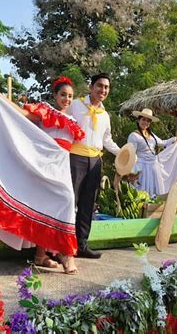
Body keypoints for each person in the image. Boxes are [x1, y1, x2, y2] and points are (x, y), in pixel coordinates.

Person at [0, 77, 84, 275]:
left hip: (61, 165)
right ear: (55, 95)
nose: (67, 99)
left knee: (58, 203)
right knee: (55, 202)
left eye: (70, 96)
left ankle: (41, 255)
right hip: (43, 162)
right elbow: (20, 114)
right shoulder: (46, 110)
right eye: (63, 94)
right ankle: (66, 254)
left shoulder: (73, 121)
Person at [68, 73, 120, 259]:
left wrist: (123, 153)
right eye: (99, 86)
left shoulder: (105, 115)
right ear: (91, 87)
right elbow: (63, 125)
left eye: (106, 87)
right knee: (69, 202)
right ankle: (63, 247)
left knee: (88, 205)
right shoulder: (75, 105)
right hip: (75, 157)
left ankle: (81, 245)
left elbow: (107, 140)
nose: (103, 90)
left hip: (95, 160)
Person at [127, 108, 177, 197]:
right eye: (143, 120)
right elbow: (131, 155)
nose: (145, 122)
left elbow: (162, 143)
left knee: (154, 190)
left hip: (153, 166)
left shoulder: (151, 134)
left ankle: (153, 209)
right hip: (141, 167)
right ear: (138, 120)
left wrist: (175, 139)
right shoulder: (133, 136)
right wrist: (132, 172)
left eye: (148, 121)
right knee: (142, 190)